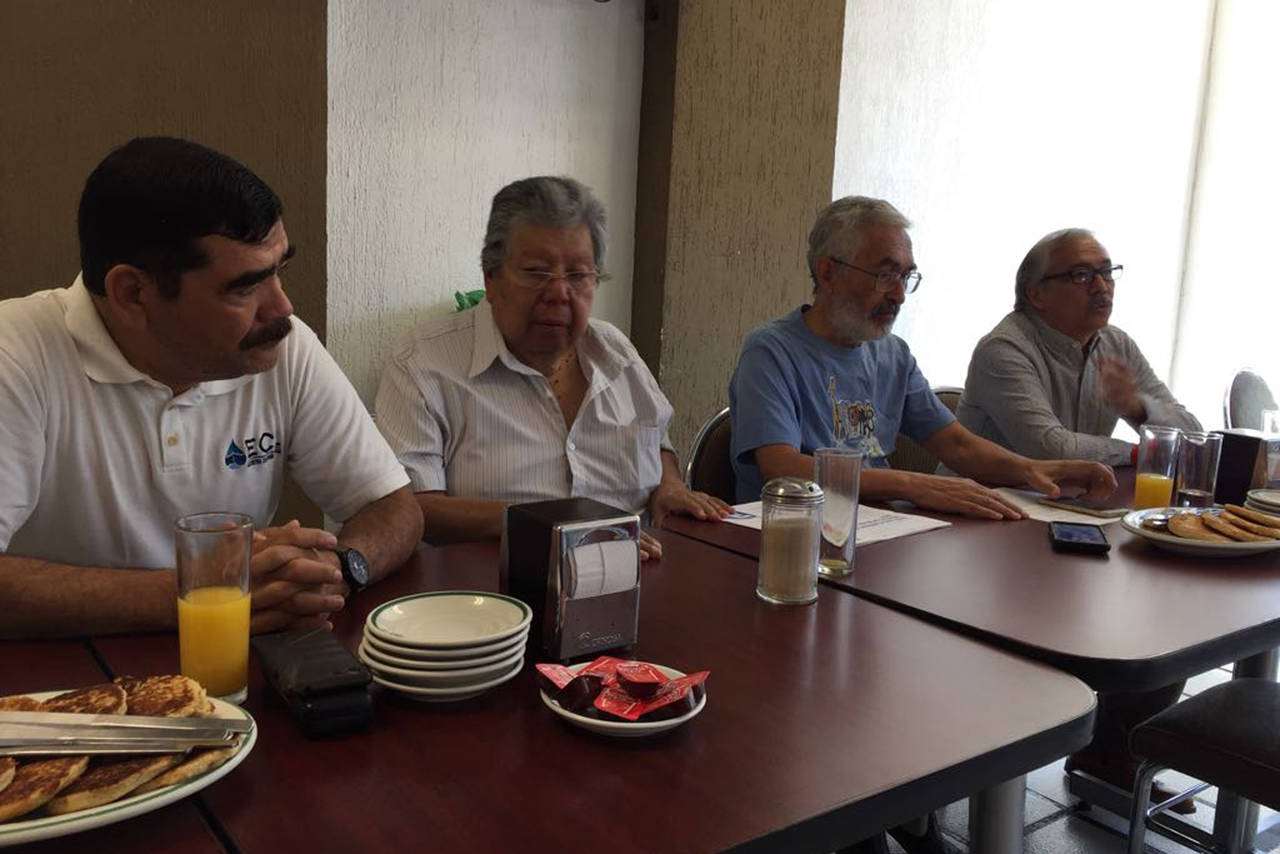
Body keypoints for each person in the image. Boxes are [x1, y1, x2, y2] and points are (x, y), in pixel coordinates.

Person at [0, 137, 422, 639]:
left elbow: (393, 508)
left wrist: (335, 570)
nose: (282, 308)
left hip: (238, 663)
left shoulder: (282, 346)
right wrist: (202, 591)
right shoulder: (15, 355)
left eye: (280, 271)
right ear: (132, 293)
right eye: (245, 286)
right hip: (57, 676)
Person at [375, 176, 727, 559]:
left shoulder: (616, 352)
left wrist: (670, 487)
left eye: (577, 275)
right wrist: (548, 525)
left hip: (635, 572)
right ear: (491, 277)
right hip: (489, 584)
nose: (559, 293)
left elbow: (657, 442)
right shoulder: (423, 363)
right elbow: (411, 508)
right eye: (536, 272)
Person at [729, 196, 1117, 519]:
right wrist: (910, 484)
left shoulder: (893, 354)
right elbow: (782, 468)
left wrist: (1036, 470)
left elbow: (957, 446)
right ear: (828, 273)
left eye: (905, 277)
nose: (899, 295)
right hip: (791, 535)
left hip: (878, 532)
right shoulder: (771, 351)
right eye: (885, 275)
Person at [955, 228, 1201, 464]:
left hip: (1072, 492)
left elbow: (1194, 437)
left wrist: (1139, 408)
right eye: (1081, 275)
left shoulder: (1116, 344)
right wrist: (1143, 453)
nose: (1102, 287)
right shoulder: (1003, 350)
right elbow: (1050, 449)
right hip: (985, 491)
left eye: (1107, 272)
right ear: (1037, 295)